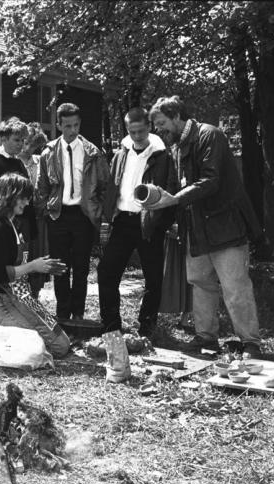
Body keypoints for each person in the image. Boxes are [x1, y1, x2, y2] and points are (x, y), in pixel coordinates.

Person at [148, 95, 262, 356]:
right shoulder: (176, 146)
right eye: (156, 125)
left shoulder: (210, 135)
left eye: (162, 123)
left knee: (235, 287)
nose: (159, 130)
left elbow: (211, 181)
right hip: (195, 230)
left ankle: (250, 343)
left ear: (177, 116)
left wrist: (174, 200)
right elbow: (180, 187)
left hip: (226, 228)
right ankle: (205, 337)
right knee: (200, 283)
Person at [98, 107, 177, 338]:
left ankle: (147, 328)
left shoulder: (163, 155)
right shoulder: (121, 152)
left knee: (153, 277)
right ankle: (111, 326)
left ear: (150, 127)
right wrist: (107, 216)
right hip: (122, 220)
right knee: (106, 271)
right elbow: (113, 186)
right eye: (131, 132)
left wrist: (162, 222)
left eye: (141, 131)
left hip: (149, 222)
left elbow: (170, 189)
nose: (136, 136)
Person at [0, 173, 70, 358]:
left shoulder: (14, 224)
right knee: (36, 348)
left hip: (21, 294)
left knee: (62, 344)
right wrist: (33, 267)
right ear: (9, 196)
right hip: (1, 298)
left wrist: (43, 265)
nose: (27, 203)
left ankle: (4, 330)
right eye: (23, 198)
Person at [37, 102, 109, 321]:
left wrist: (101, 215)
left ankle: (77, 313)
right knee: (59, 268)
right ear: (58, 124)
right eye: (67, 126)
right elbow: (42, 187)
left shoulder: (92, 152)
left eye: (76, 125)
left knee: (80, 267)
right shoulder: (48, 152)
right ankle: (62, 314)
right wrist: (47, 209)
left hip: (83, 215)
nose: (72, 130)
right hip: (58, 215)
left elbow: (104, 185)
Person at [0, 117, 36, 255]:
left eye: (23, 140)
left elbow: (28, 197)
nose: (21, 144)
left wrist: (31, 227)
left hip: (21, 226)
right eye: (17, 140)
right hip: (2, 228)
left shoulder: (19, 164)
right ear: (3, 139)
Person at [19, 123, 50, 299]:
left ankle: (35, 295)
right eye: (27, 143)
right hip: (20, 217)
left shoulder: (39, 161)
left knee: (37, 254)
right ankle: (20, 295)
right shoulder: (14, 161)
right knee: (22, 254)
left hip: (37, 216)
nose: (29, 149)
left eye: (34, 146)